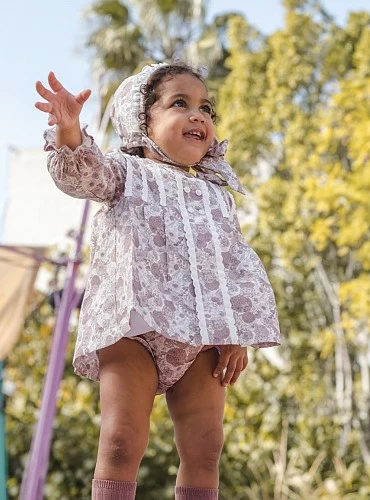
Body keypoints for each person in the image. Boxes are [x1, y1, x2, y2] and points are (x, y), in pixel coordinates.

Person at [35, 62, 280, 500]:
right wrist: (70, 131)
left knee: (206, 449)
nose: (199, 115)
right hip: (134, 328)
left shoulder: (217, 195)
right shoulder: (124, 173)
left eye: (206, 107)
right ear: (141, 121)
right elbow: (82, 173)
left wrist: (233, 334)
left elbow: (232, 266)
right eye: (179, 104)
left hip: (203, 337)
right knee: (121, 441)